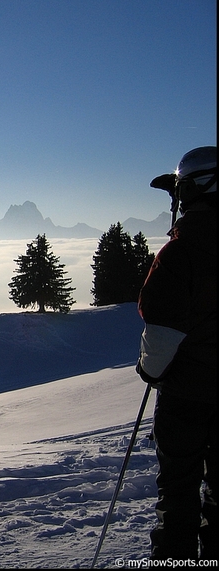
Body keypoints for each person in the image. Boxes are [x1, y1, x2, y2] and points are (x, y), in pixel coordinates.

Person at [136, 145, 217, 561]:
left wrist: (150, 372)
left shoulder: (180, 254)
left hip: (188, 397)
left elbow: (162, 333)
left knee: (179, 497)